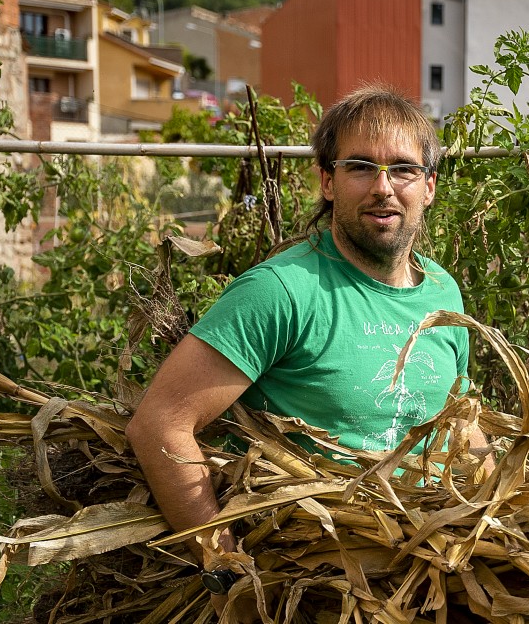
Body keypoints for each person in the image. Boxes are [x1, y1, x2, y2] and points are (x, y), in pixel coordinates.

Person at [129, 85, 481, 579]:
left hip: (432, 566)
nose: (384, 187)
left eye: (403, 168)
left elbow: (462, 426)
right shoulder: (282, 292)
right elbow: (160, 423)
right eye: (360, 167)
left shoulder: (443, 293)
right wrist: (224, 562)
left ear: (429, 186)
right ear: (328, 182)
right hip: (315, 578)